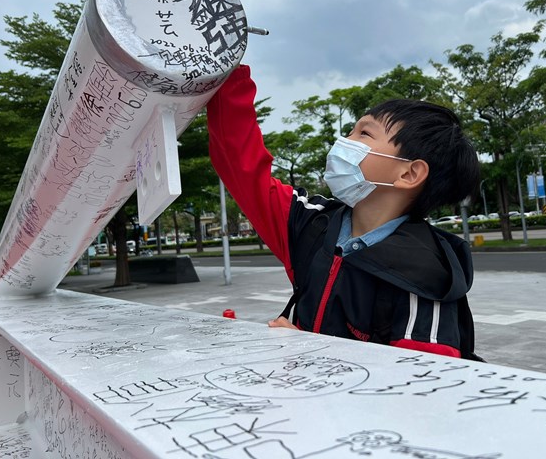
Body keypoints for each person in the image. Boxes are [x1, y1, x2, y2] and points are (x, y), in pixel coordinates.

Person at [207, 64, 483, 360]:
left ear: (409, 174)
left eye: (364, 133)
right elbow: (240, 163)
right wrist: (224, 67)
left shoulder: (427, 280)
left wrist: (311, 351)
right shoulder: (311, 222)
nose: (344, 142)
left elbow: (417, 387)